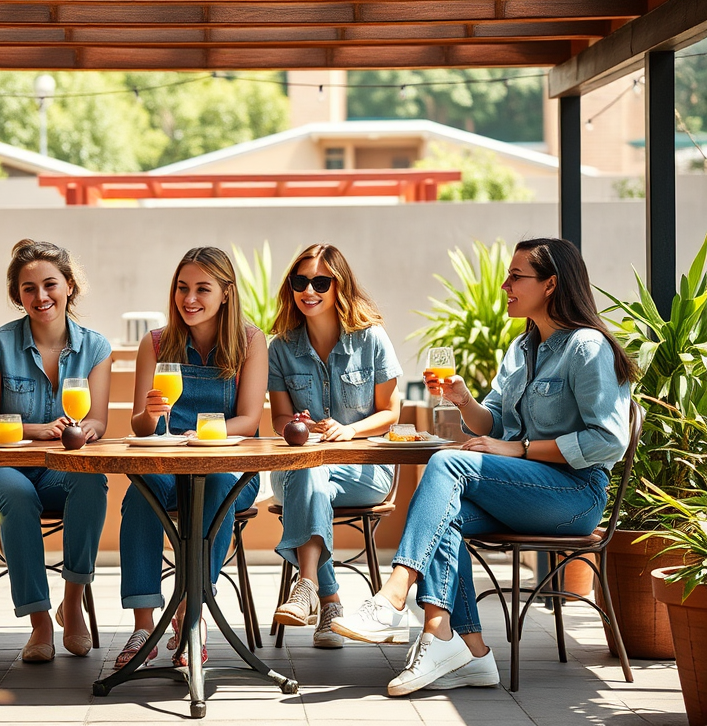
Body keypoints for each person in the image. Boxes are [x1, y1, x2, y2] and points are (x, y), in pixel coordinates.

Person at [330, 237, 636, 696]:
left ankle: (394, 596)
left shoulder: (586, 348)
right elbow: (493, 420)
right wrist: (464, 400)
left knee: (450, 463)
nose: (504, 284)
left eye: (517, 276)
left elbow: (608, 439)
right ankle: (464, 648)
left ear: (551, 284)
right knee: (443, 519)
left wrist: (521, 449)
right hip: (528, 493)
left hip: (574, 495)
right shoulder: (523, 348)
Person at [114, 246, 268, 669]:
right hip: (167, 465)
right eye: (183, 288)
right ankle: (143, 626)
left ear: (226, 294)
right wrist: (149, 415)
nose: (190, 299)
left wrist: (196, 435)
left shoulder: (251, 343)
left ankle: (191, 616)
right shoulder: (157, 343)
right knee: (140, 492)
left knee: (217, 484)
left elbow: (249, 420)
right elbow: (140, 426)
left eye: (203, 288)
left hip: (230, 468)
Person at [0, 239, 110, 664]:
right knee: (17, 495)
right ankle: (39, 622)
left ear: (69, 286)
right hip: (0, 470)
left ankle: (72, 600)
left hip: (58, 472)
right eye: (28, 288)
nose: (40, 296)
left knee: (91, 481)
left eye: (50, 284)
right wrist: (39, 430)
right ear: (18, 296)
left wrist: (84, 430)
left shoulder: (95, 348)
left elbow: (99, 422)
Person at [267, 243, 402, 649]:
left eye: (320, 281)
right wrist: (297, 426)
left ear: (339, 286)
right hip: (302, 466)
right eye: (300, 281)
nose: (309, 290)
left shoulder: (371, 339)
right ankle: (323, 598)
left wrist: (351, 430)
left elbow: (390, 413)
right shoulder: (280, 348)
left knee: (308, 478)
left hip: (366, 469)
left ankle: (313, 591)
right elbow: (278, 419)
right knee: (311, 473)